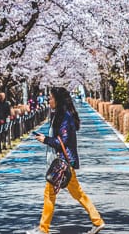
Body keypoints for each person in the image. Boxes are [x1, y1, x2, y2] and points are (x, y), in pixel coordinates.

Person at [26, 87, 105, 234]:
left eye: (50, 98)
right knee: (77, 193)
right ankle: (97, 221)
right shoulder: (60, 115)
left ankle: (43, 229)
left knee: (50, 193)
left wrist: (45, 140)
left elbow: (63, 140)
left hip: (63, 162)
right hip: (65, 161)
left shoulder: (65, 117)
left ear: (58, 100)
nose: (48, 100)